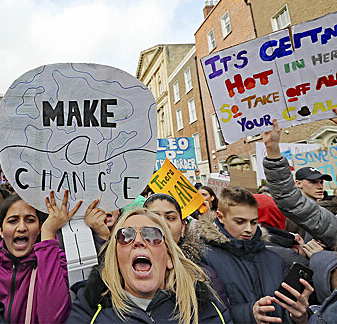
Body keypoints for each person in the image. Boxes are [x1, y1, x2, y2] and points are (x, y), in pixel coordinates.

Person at [67, 207, 231, 324]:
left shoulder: (205, 309)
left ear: (169, 258)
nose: (138, 241)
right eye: (126, 236)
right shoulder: (89, 309)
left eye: (152, 235)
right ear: (116, 260)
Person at [198, 187, 313, 324]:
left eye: (253, 222)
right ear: (220, 217)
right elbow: (205, 315)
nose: (248, 229)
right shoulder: (203, 258)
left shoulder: (275, 259)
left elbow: (285, 312)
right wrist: (249, 314)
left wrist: (300, 316)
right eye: (240, 222)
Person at [0, 190, 79, 324]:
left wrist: (48, 236)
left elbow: (53, 320)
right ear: (1, 230)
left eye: (29, 220)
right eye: (13, 221)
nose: (21, 227)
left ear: (40, 227)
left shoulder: (57, 262)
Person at [262, 113, 337, 248]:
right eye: (313, 182)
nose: (320, 186)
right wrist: (272, 149)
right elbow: (289, 200)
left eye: (321, 182)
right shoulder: (330, 224)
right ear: (299, 183)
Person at [143, 193, 229, 307]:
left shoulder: (202, 275)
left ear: (183, 227)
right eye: (155, 218)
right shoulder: (124, 269)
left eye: (170, 218)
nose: (163, 223)